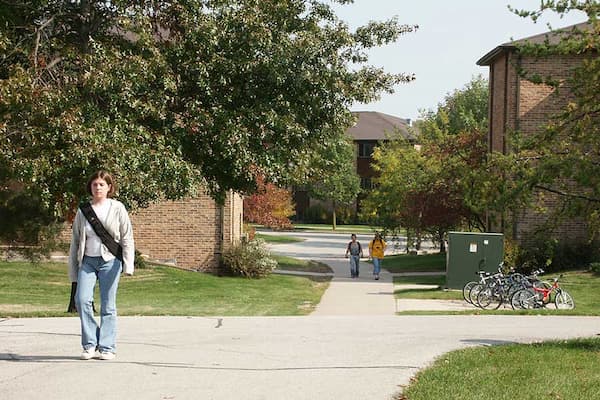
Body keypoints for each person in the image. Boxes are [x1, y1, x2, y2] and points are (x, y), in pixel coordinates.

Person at [68, 170, 135, 360]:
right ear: (90, 187)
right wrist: (73, 269)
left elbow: (127, 237)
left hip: (110, 261)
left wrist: (128, 264)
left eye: (102, 185)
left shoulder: (117, 208)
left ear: (109, 188)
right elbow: (75, 241)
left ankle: (107, 347)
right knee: (81, 301)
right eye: (95, 184)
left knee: (108, 305)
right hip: (87, 261)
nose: (98, 187)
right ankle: (90, 344)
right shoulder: (83, 211)